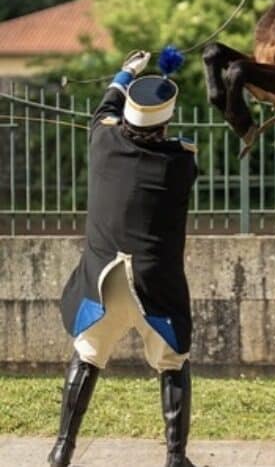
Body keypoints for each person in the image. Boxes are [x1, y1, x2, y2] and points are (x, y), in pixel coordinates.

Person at [48, 48, 198, 467]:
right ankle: (175, 457)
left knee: (88, 355)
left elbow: (104, 111)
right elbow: (163, 142)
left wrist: (126, 72)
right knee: (172, 362)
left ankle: (62, 449)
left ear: (127, 117)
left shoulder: (102, 141)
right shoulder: (180, 163)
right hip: (154, 285)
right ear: (165, 123)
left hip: (104, 281)